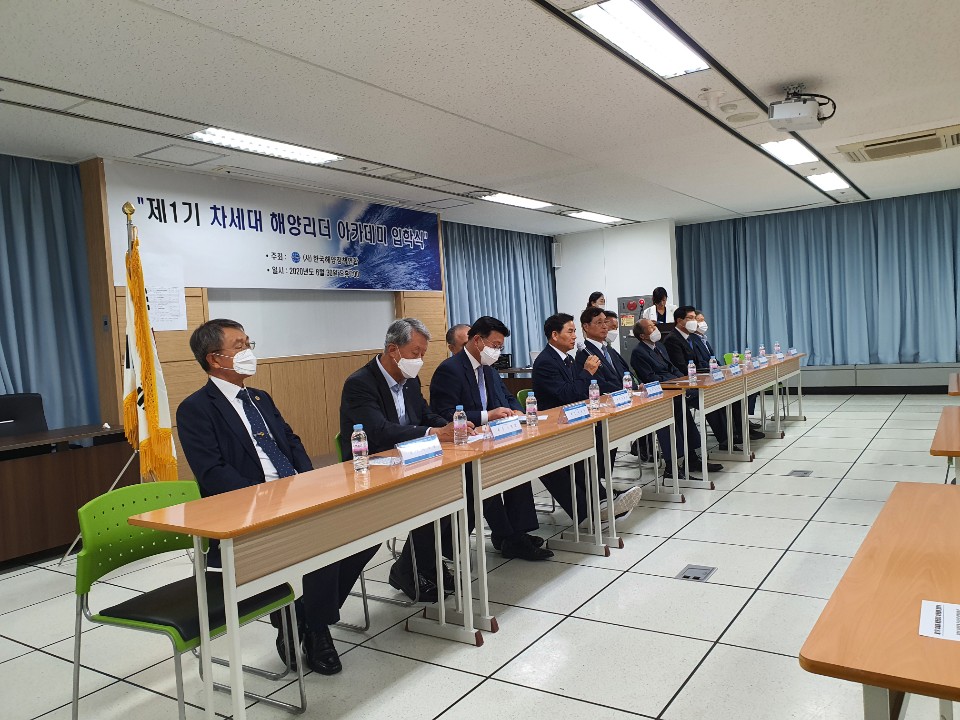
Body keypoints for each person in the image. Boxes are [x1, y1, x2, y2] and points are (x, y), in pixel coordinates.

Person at [177, 319, 378, 676]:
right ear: (215, 358)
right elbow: (212, 472)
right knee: (322, 541)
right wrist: (268, 496)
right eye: (239, 346)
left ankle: (298, 620)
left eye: (248, 343)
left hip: (295, 494)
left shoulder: (259, 397)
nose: (248, 351)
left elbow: (290, 440)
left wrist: (306, 480)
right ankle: (317, 631)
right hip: (248, 508)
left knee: (366, 531)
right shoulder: (196, 408)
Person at [338, 318, 465, 603]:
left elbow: (424, 415)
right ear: (393, 350)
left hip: (411, 459)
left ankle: (422, 565)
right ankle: (409, 570)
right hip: (373, 466)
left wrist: (452, 426)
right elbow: (379, 431)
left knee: (454, 489)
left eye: (423, 354)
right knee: (433, 496)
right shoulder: (360, 383)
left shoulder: (410, 380)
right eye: (415, 353)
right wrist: (433, 433)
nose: (419, 360)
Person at [430, 316, 551, 561]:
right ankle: (510, 537)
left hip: (494, 440)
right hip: (465, 445)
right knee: (487, 479)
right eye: (495, 346)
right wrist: (488, 416)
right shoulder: (450, 369)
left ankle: (516, 534)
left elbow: (506, 397)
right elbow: (444, 414)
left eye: (500, 347)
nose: (497, 351)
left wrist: (517, 411)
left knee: (517, 467)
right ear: (477, 340)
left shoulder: (488, 369)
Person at [532, 313, 642, 524]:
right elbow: (567, 394)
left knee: (592, 443)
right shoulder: (546, 362)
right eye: (570, 331)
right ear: (555, 335)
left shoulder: (568, 359)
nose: (575, 336)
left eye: (575, 331)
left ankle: (603, 502)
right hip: (554, 427)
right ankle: (594, 509)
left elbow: (580, 392)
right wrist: (588, 372)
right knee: (582, 450)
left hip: (573, 421)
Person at [577, 306, 687, 479]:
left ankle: (676, 464)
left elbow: (626, 373)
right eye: (599, 323)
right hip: (612, 406)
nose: (605, 326)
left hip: (628, 399)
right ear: (586, 327)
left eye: (605, 322)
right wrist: (626, 391)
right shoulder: (585, 354)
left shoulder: (609, 350)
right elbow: (599, 384)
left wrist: (637, 386)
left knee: (665, 412)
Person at [631, 319, 723, 474]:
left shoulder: (659, 347)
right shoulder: (638, 352)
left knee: (686, 410)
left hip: (675, 387)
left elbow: (672, 367)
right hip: (659, 393)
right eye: (651, 327)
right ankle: (677, 462)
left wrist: (682, 379)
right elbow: (649, 377)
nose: (655, 329)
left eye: (654, 326)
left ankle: (692, 458)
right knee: (677, 411)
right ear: (642, 336)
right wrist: (674, 381)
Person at [663, 306, 743, 451]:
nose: (694, 321)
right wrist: (704, 374)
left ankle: (734, 433)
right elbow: (682, 367)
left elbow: (698, 362)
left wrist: (711, 372)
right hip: (685, 385)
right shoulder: (672, 339)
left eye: (695, 318)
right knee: (710, 398)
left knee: (724, 392)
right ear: (680, 321)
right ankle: (725, 439)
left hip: (698, 379)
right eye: (691, 318)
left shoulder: (689, 337)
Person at [694, 312, 761, 425]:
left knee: (749, 385)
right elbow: (701, 363)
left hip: (716, 373)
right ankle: (738, 424)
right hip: (706, 377)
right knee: (735, 390)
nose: (703, 323)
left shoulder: (704, 339)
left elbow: (713, 359)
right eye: (700, 320)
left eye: (703, 320)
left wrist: (723, 368)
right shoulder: (693, 340)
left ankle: (742, 421)